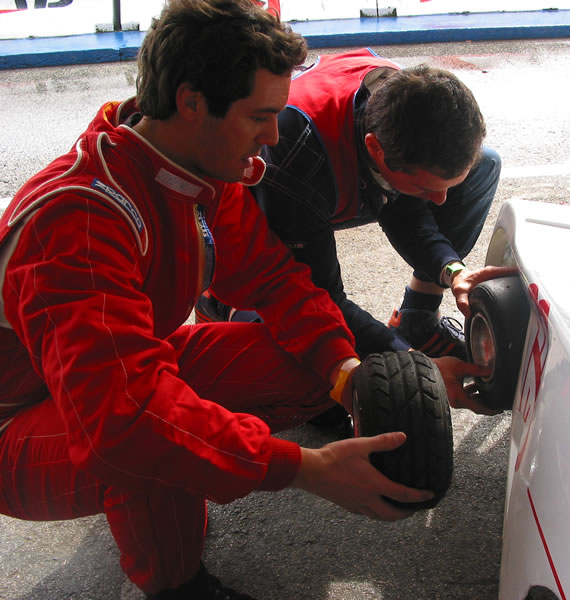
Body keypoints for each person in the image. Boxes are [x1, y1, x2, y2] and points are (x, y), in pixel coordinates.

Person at [0, 2, 481, 598]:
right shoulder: (79, 221)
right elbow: (123, 422)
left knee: (307, 366)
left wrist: (351, 376)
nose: (275, 137)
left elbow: (276, 283)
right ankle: (178, 584)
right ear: (192, 101)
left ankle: (184, 480)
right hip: (16, 423)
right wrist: (305, 469)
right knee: (152, 445)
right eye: (261, 116)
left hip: (118, 370)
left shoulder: (194, 172)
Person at [194, 48, 510, 362]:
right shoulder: (293, 157)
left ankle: (418, 318)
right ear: (376, 150)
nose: (441, 202)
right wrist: (409, 362)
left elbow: (404, 209)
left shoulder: (398, 95)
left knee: (484, 165)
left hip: (334, 169)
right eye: (426, 188)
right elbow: (321, 300)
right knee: (306, 362)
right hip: (249, 232)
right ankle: (220, 305)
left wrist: (453, 270)